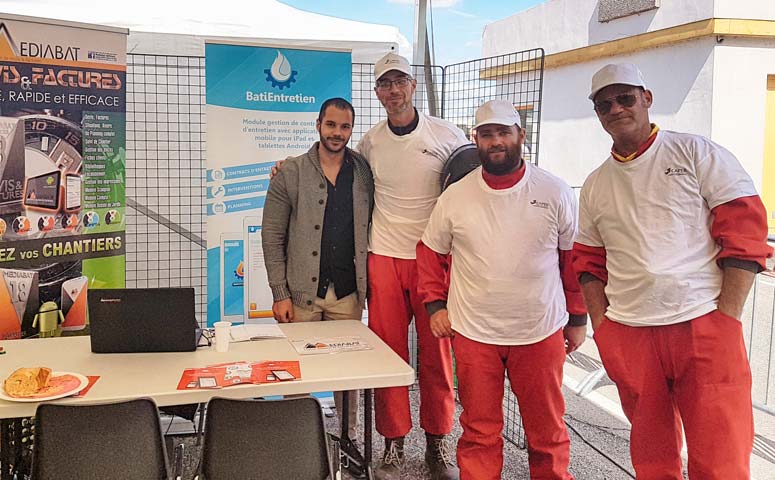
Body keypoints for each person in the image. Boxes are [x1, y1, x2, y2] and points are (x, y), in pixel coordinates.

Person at [573, 63, 774, 479]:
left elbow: (744, 229)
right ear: (597, 114)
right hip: (629, 331)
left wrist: (726, 317)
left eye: (625, 98)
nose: (616, 109)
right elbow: (588, 261)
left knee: (721, 454)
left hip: (702, 324)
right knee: (651, 455)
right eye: (604, 104)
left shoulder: (696, 152)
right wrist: (603, 326)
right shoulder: (595, 184)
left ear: (646, 98)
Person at [417, 99, 585, 480]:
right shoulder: (455, 196)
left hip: (539, 331)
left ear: (520, 135)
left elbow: (572, 261)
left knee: (547, 431)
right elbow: (429, 252)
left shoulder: (554, 191)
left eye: (503, 133)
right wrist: (435, 305)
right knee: (479, 431)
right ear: (475, 139)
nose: (496, 142)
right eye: (487, 134)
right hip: (474, 332)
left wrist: (577, 319)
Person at [358, 52, 470, 480]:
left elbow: (474, 183)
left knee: (437, 355)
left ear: (413, 85)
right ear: (377, 92)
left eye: (399, 81)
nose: (393, 90)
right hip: (384, 255)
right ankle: (393, 442)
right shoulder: (370, 142)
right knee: (388, 353)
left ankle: (438, 441)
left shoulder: (446, 134)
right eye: (385, 84)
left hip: (432, 259)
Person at [262, 97, 373, 445]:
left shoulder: (364, 172)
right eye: (331, 125)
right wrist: (279, 293)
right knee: (297, 373)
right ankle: (297, 442)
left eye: (344, 127)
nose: (337, 133)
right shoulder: (291, 172)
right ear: (318, 125)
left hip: (347, 293)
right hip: (300, 297)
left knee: (347, 373)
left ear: (351, 130)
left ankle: (349, 440)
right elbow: (272, 235)